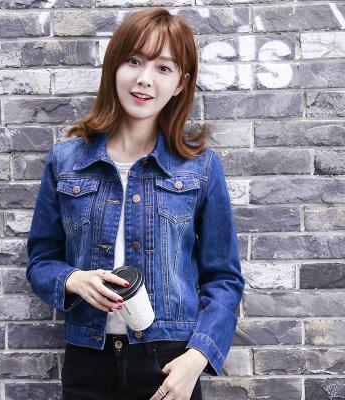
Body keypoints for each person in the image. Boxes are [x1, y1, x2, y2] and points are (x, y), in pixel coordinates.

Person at [26, 7, 245, 400]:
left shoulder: (200, 167)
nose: (145, 78)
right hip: (87, 362)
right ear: (114, 66)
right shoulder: (65, 161)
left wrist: (197, 357)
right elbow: (41, 260)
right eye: (134, 61)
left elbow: (224, 279)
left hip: (169, 361)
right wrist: (74, 280)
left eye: (163, 68)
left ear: (180, 83)